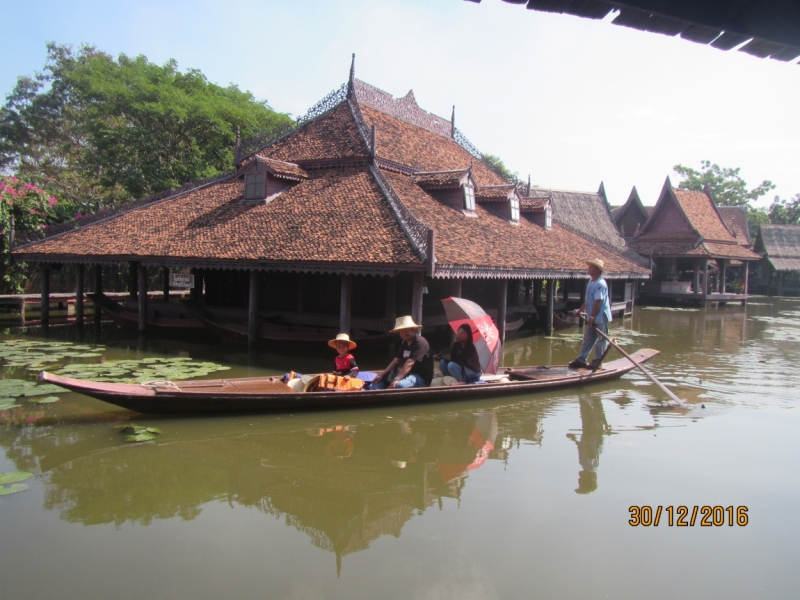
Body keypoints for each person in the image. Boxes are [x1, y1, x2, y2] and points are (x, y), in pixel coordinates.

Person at [569, 258, 612, 370]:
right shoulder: (591, 281)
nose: (589, 269)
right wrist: (580, 310)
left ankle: (598, 361)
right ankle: (581, 359)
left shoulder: (600, 283)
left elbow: (598, 301)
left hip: (600, 316)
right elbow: (588, 300)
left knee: (601, 339)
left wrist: (592, 317)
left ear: (598, 270)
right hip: (591, 316)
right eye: (589, 267)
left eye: (592, 267)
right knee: (588, 338)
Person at [370, 315, 434, 389]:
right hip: (407, 374)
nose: (404, 334)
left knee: (399, 385)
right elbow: (395, 360)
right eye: (401, 332)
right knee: (379, 379)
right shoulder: (404, 343)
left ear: (413, 330)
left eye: (406, 331)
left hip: (420, 377)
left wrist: (397, 379)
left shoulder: (420, 342)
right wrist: (382, 374)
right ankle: (374, 391)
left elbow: (410, 363)